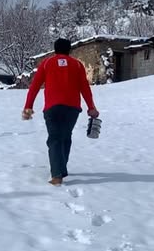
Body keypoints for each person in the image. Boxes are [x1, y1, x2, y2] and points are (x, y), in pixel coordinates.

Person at [22, 38, 100, 186]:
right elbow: (85, 88)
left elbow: (35, 86)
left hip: (52, 108)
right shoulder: (77, 64)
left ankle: (57, 175)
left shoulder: (46, 63)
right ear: (69, 50)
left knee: (54, 139)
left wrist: (28, 107)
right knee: (65, 136)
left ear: (55, 49)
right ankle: (61, 168)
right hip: (72, 109)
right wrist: (91, 107)